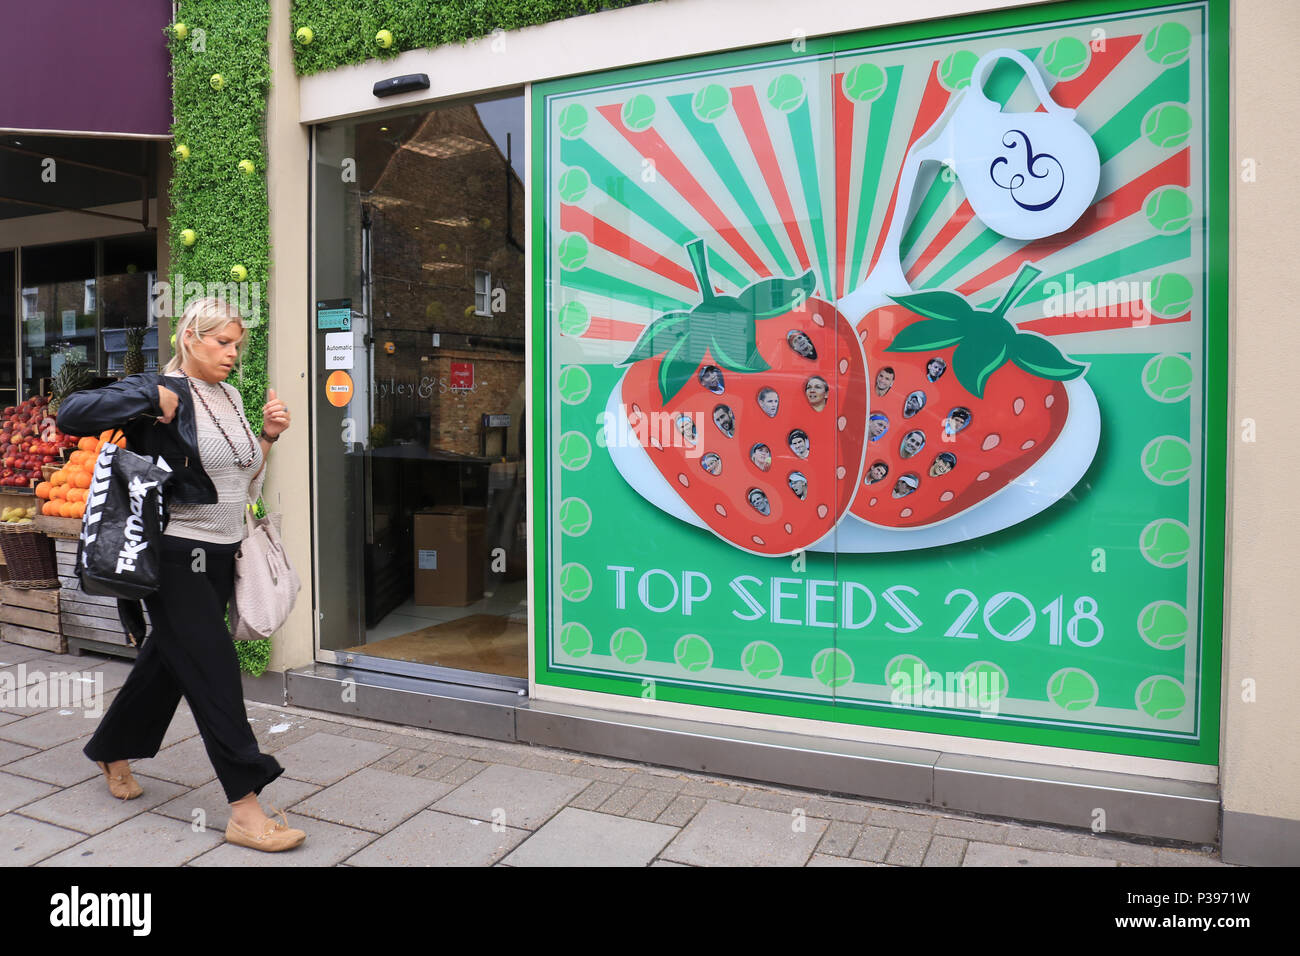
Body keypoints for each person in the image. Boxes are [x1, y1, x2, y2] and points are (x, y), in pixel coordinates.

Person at [59, 297, 303, 853]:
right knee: (214, 671)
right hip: (172, 556)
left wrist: (266, 437)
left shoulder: (232, 395)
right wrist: (149, 395)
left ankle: (110, 746)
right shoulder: (157, 392)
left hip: (222, 553)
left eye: (237, 344)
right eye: (223, 343)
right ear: (190, 336)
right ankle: (245, 806)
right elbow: (70, 415)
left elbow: (240, 476)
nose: (233, 354)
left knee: (168, 665)